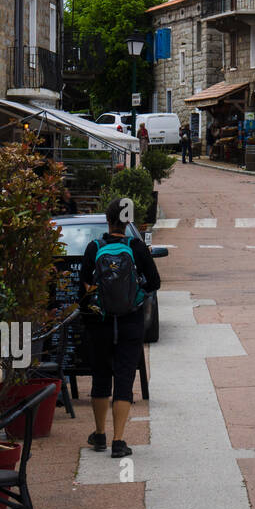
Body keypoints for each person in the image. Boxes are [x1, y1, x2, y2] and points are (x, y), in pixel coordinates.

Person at [79, 197, 160, 459]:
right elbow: (155, 282)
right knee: (124, 378)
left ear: (107, 219)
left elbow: (84, 288)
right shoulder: (136, 246)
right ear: (128, 221)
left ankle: (99, 433)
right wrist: (135, 296)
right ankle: (118, 441)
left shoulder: (93, 248)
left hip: (100, 323)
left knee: (101, 376)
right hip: (130, 322)